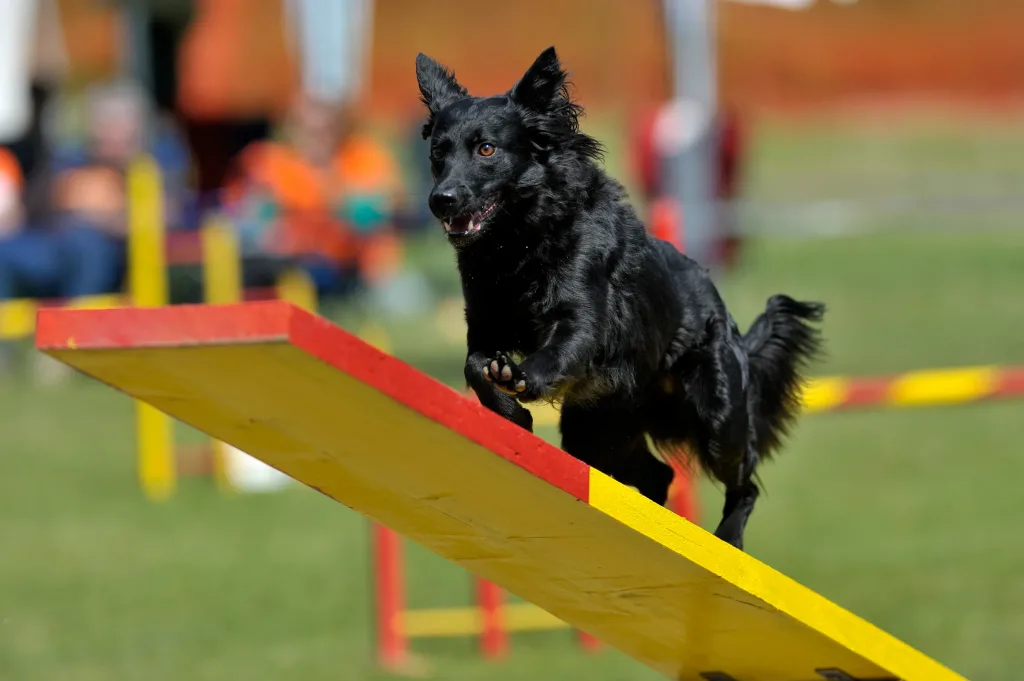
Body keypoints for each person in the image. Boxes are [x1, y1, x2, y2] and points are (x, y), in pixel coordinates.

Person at [221, 92, 405, 298]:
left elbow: (388, 207)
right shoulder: (269, 163)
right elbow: (239, 216)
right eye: (308, 130)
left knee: (399, 294)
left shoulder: (361, 157)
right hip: (289, 269)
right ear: (292, 129)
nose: (317, 139)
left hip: (355, 268)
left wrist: (334, 197)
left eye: (325, 130)